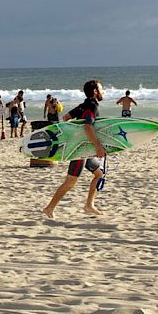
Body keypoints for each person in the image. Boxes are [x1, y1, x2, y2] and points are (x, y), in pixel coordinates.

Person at [43, 80, 106, 219]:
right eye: (101, 89)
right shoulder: (93, 106)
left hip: (85, 149)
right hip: (80, 151)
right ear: (95, 91)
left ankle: (89, 205)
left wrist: (72, 136)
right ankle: (49, 208)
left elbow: (66, 117)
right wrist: (97, 145)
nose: (103, 91)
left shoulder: (84, 105)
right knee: (70, 182)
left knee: (100, 173)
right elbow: (88, 126)